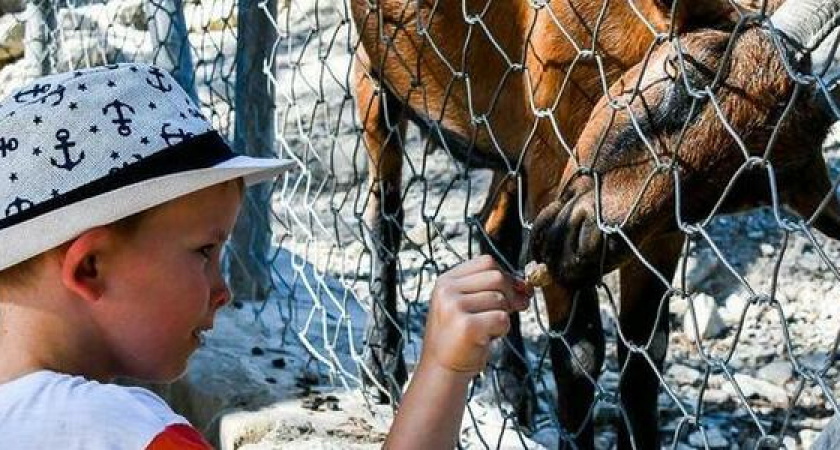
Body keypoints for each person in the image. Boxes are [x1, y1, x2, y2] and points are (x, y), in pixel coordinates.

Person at [0, 64, 533, 449]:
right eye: (205, 252)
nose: (223, 288)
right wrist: (443, 365)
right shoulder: (119, 433)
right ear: (89, 267)